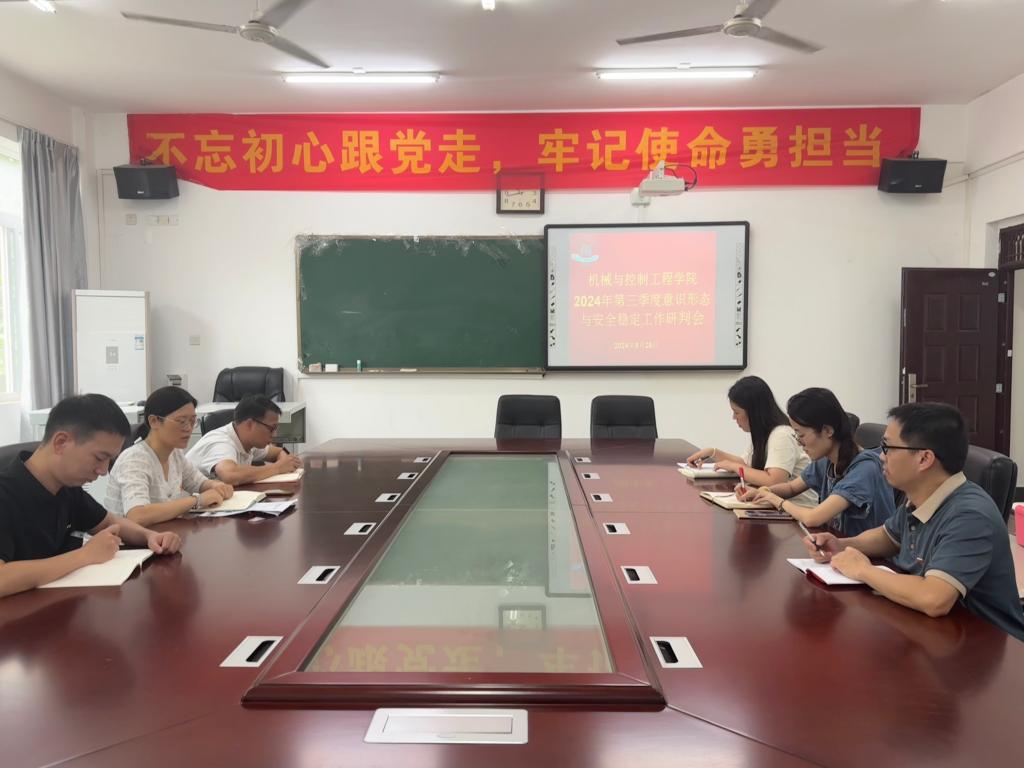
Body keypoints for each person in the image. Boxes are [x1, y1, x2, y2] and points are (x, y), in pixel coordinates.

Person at [802, 402, 1024, 642]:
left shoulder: (970, 515)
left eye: (887, 448)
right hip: (933, 634)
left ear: (924, 458)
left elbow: (934, 598)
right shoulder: (921, 496)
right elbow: (888, 537)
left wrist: (863, 570)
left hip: (983, 645)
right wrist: (842, 545)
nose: (881, 456)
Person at [0, 394, 182, 599]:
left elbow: (108, 522)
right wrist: (84, 555)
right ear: (61, 442)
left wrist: (150, 537)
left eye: (109, 461)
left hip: (57, 604)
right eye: (99, 458)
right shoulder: (6, 494)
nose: (103, 471)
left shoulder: (66, 486)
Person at [745, 387, 895, 536]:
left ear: (828, 431)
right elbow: (791, 488)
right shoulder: (826, 460)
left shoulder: (865, 469)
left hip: (863, 551)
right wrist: (764, 491)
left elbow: (813, 518)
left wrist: (776, 500)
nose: (799, 443)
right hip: (838, 544)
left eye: (801, 435)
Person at [105, 386, 233, 525]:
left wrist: (215, 485)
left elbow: (198, 483)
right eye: (181, 421)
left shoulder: (175, 453)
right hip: (125, 538)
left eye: (192, 421)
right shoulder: (135, 460)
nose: (189, 428)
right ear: (154, 421)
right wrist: (197, 501)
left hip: (163, 533)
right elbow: (137, 516)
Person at [685, 375, 817, 506]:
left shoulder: (782, 434)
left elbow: (774, 480)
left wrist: (734, 467)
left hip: (797, 510)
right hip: (772, 506)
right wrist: (713, 452)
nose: (733, 418)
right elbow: (746, 464)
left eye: (736, 412)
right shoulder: (762, 432)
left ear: (753, 412)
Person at [186, 394, 301, 485]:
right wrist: (278, 468)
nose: (274, 434)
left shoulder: (248, 442)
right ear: (250, 424)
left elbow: (278, 452)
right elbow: (230, 475)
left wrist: (286, 462)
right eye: (271, 428)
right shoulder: (221, 442)